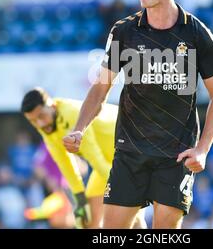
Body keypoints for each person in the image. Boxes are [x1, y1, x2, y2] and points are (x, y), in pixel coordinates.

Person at [64, 0, 213, 229]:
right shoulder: (124, 31)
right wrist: (80, 127)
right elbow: (101, 86)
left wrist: (202, 149)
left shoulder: (197, 34)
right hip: (130, 152)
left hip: (176, 155)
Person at [21, 87, 146, 229]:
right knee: (89, 221)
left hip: (129, 152)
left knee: (127, 216)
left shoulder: (71, 114)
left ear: (52, 106)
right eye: (33, 121)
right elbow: (64, 163)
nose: (40, 124)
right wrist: (79, 199)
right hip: (108, 163)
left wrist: (120, 186)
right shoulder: (46, 126)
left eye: (41, 116)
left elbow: (94, 157)